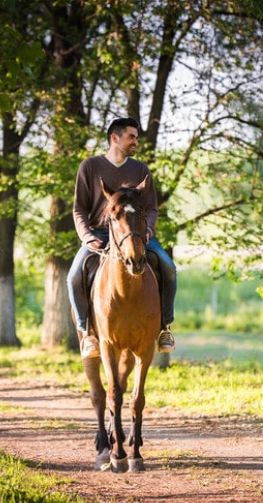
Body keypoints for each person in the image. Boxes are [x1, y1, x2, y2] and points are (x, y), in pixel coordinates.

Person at [67, 117, 177, 359]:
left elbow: (151, 208)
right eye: (132, 137)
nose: (136, 141)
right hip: (99, 234)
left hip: (137, 234)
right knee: (74, 276)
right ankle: (87, 333)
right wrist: (86, 237)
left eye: (136, 137)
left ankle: (165, 329)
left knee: (168, 267)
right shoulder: (90, 167)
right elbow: (79, 209)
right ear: (114, 138)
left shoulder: (141, 170)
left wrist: (147, 230)